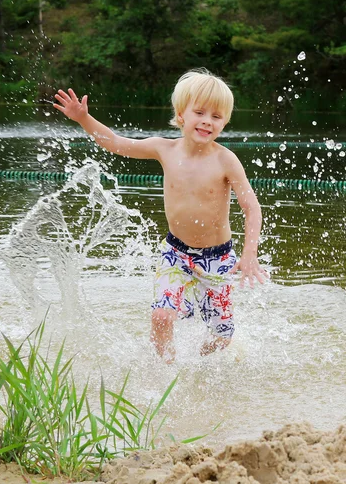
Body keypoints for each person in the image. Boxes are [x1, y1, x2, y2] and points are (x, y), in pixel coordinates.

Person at [54, 69, 268, 362]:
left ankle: (199, 362)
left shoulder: (225, 160)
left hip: (218, 258)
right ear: (181, 114)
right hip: (175, 254)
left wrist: (249, 254)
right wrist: (83, 119)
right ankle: (167, 370)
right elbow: (116, 143)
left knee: (221, 338)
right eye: (200, 112)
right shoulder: (164, 149)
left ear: (224, 123)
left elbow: (252, 207)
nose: (207, 120)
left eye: (216, 116)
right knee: (161, 317)